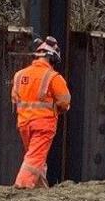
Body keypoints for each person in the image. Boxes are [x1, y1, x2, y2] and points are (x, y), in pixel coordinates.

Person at [11, 36, 70, 188]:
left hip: (24, 123)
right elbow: (64, 101)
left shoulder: (19, 75)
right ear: (52, 58)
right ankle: (23, 185)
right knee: (35, 157)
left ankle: (40, 190)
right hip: (44, 124)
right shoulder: (53, 77)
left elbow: (15, 99)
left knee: (36, 156)